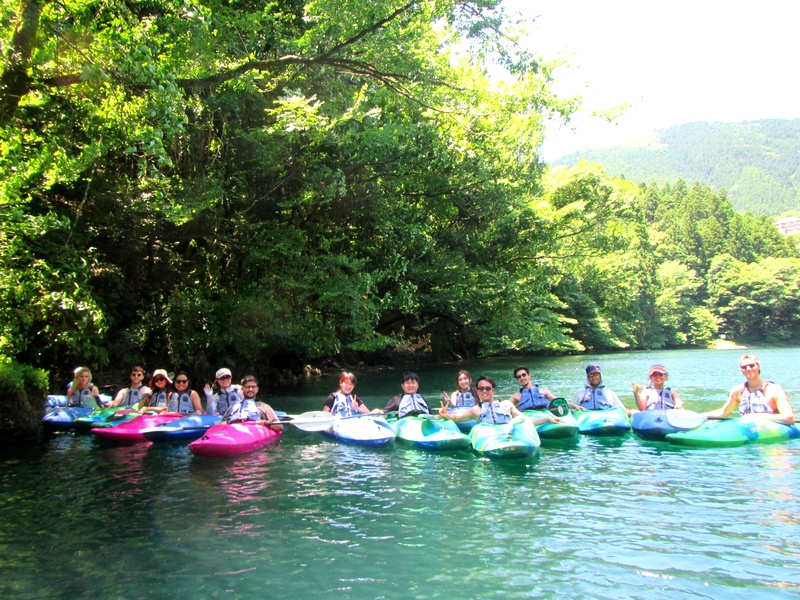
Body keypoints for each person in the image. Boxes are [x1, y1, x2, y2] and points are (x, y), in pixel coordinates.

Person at [703, 354, 795, 425]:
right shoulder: (738, 391)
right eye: (744, 367)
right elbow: (723, 413)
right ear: (741, 369)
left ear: (758, 366)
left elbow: (789, 418)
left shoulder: (774, 390)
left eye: (751, 365)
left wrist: (757, 416)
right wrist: (700, 416)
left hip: (772, 432)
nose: (748, 369)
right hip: (748, 430)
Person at [438, 376, 561, 426]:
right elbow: (456, 418)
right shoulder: (476, 410)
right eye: (481, 389)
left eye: (487, 388)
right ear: (478, 391)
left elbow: (526, 420)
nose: (484, 391)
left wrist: (547, 419)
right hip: (491, 438)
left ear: (493, 391)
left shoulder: (507, 404)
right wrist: (445, 414)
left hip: (508, 434)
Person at [508, 366, 580, 411]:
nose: (522, 378)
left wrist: (575, 406)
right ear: (517, 380)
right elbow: (505, 406)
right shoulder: (516, 396)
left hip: (544, 414)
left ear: (529, 375)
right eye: (519, 377)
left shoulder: (544, 392)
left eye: (524, 375)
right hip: (528, 418)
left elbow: (558, 402)